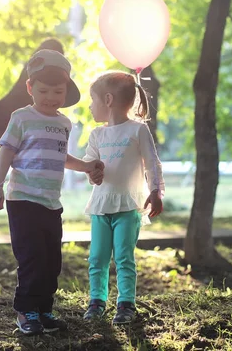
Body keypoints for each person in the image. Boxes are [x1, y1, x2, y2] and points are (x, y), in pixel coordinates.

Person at [0, 49, 105, 335]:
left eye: (58, 91)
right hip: (23, 200)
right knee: (31, 257)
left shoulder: (63, 123)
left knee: (52, 259)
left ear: (66, 91)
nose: (51, 97)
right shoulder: (21, 117)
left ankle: (43, 309)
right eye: (43, 90)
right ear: (30, 88)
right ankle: (25, 311)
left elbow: (61, 157)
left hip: (51, 203)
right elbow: (6, 153)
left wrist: (87, 166)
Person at [82, 71, 165, 325]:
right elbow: (89, 164)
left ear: (108, 99)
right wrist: (93, 174)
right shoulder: (97, 135)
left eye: (93, 100)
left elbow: (152, 163)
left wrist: (155, 191)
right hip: (101, 205)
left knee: (124, 256)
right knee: (97, 257)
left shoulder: (137, 130)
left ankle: (126, 303)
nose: (90, 106)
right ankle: (97, 300)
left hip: (128, 206)